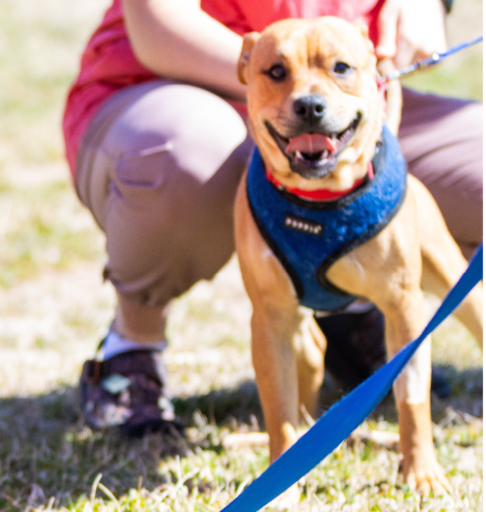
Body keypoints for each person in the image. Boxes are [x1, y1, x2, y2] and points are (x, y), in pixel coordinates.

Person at [64, 0, 483, 436]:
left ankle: (349, 304)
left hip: (353, 93)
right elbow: (158, 25)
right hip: (168, 92)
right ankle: (134, 344)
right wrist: (279, 70)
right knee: (187, 153)